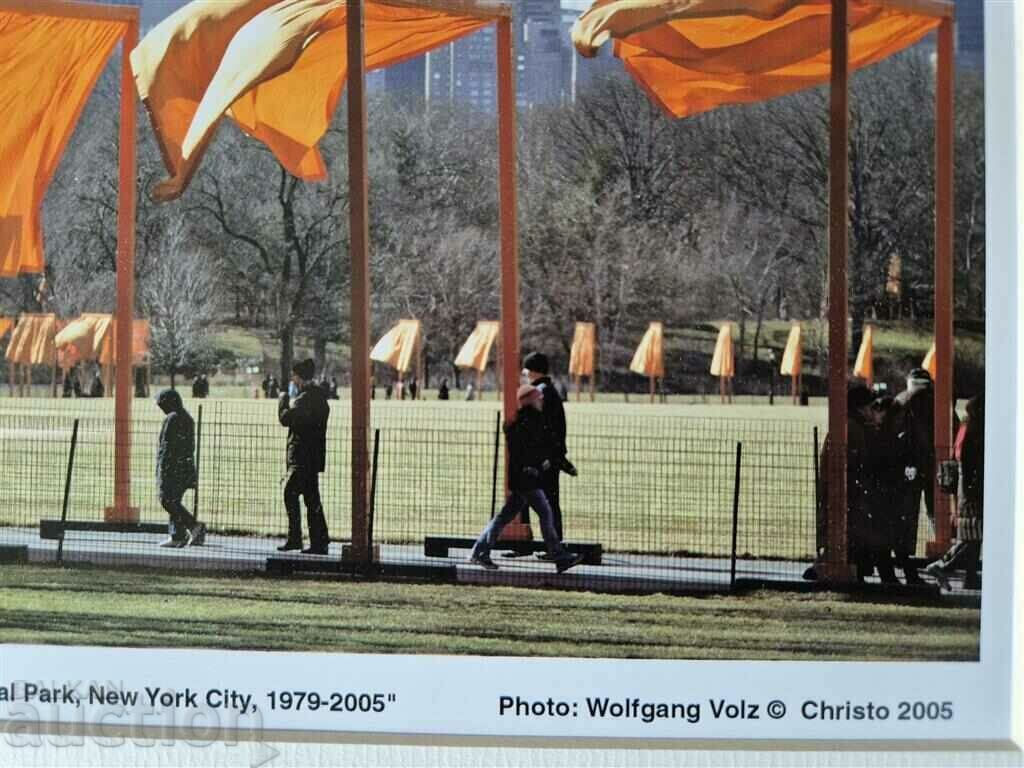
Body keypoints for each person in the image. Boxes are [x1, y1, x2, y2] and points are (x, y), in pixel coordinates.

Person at [468, 385, 584, 574]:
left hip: (523, 478)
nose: (541, 400)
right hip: (527, 479)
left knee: (503, 517)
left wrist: (554, 465)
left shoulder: (523, 422)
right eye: (538, 398)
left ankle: (479, 552)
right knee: (545, 513)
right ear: (531, 401)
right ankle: (559, 556)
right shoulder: (532, 423)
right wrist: (538, 466)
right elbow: (535, 450)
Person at [807, 382, 887, 582]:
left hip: (845, 493)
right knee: (855, 534)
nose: (874, 411)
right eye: (871, 406)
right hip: (851, 495)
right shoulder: (854, 429)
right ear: (861, 408)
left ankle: (828, 567)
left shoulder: (847, 426)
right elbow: (859, 463)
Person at [926, 393, 984, 590]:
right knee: (973, 536)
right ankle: (942, 566)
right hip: (971, 490)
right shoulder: (975, 432)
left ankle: (970, 577)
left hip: (964, 490)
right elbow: (972, 464)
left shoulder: (964, 428)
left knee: (972, 535)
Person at [278, 358, 331, 555]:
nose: (293, 380)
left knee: (290, 494)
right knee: (311, 499)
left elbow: (285, 418)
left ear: (299, 377)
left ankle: (296, 538)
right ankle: (319, 541)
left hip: (301, 458)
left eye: (294, 376)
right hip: (313, 457)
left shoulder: (304, 400)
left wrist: (283, 400)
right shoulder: (320, 398)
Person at [522, 352, 570, 547]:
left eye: (527, 369)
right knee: (546, 500)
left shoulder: (539, 392)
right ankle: (553, 544)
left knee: (533, 499)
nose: (525, 373)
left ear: (534, 371)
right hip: (550, 455)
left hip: (543, 457)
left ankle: (547, 545)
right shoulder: (549, 390)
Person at [155, 389, 205, 548]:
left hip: (172, 468)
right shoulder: (186, 418)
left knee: (166, 500)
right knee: (174, 501)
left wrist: (162, 468)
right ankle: (177, 535)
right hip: (185, 468)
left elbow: (166, 447)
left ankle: (193, 526)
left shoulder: (172, 418)